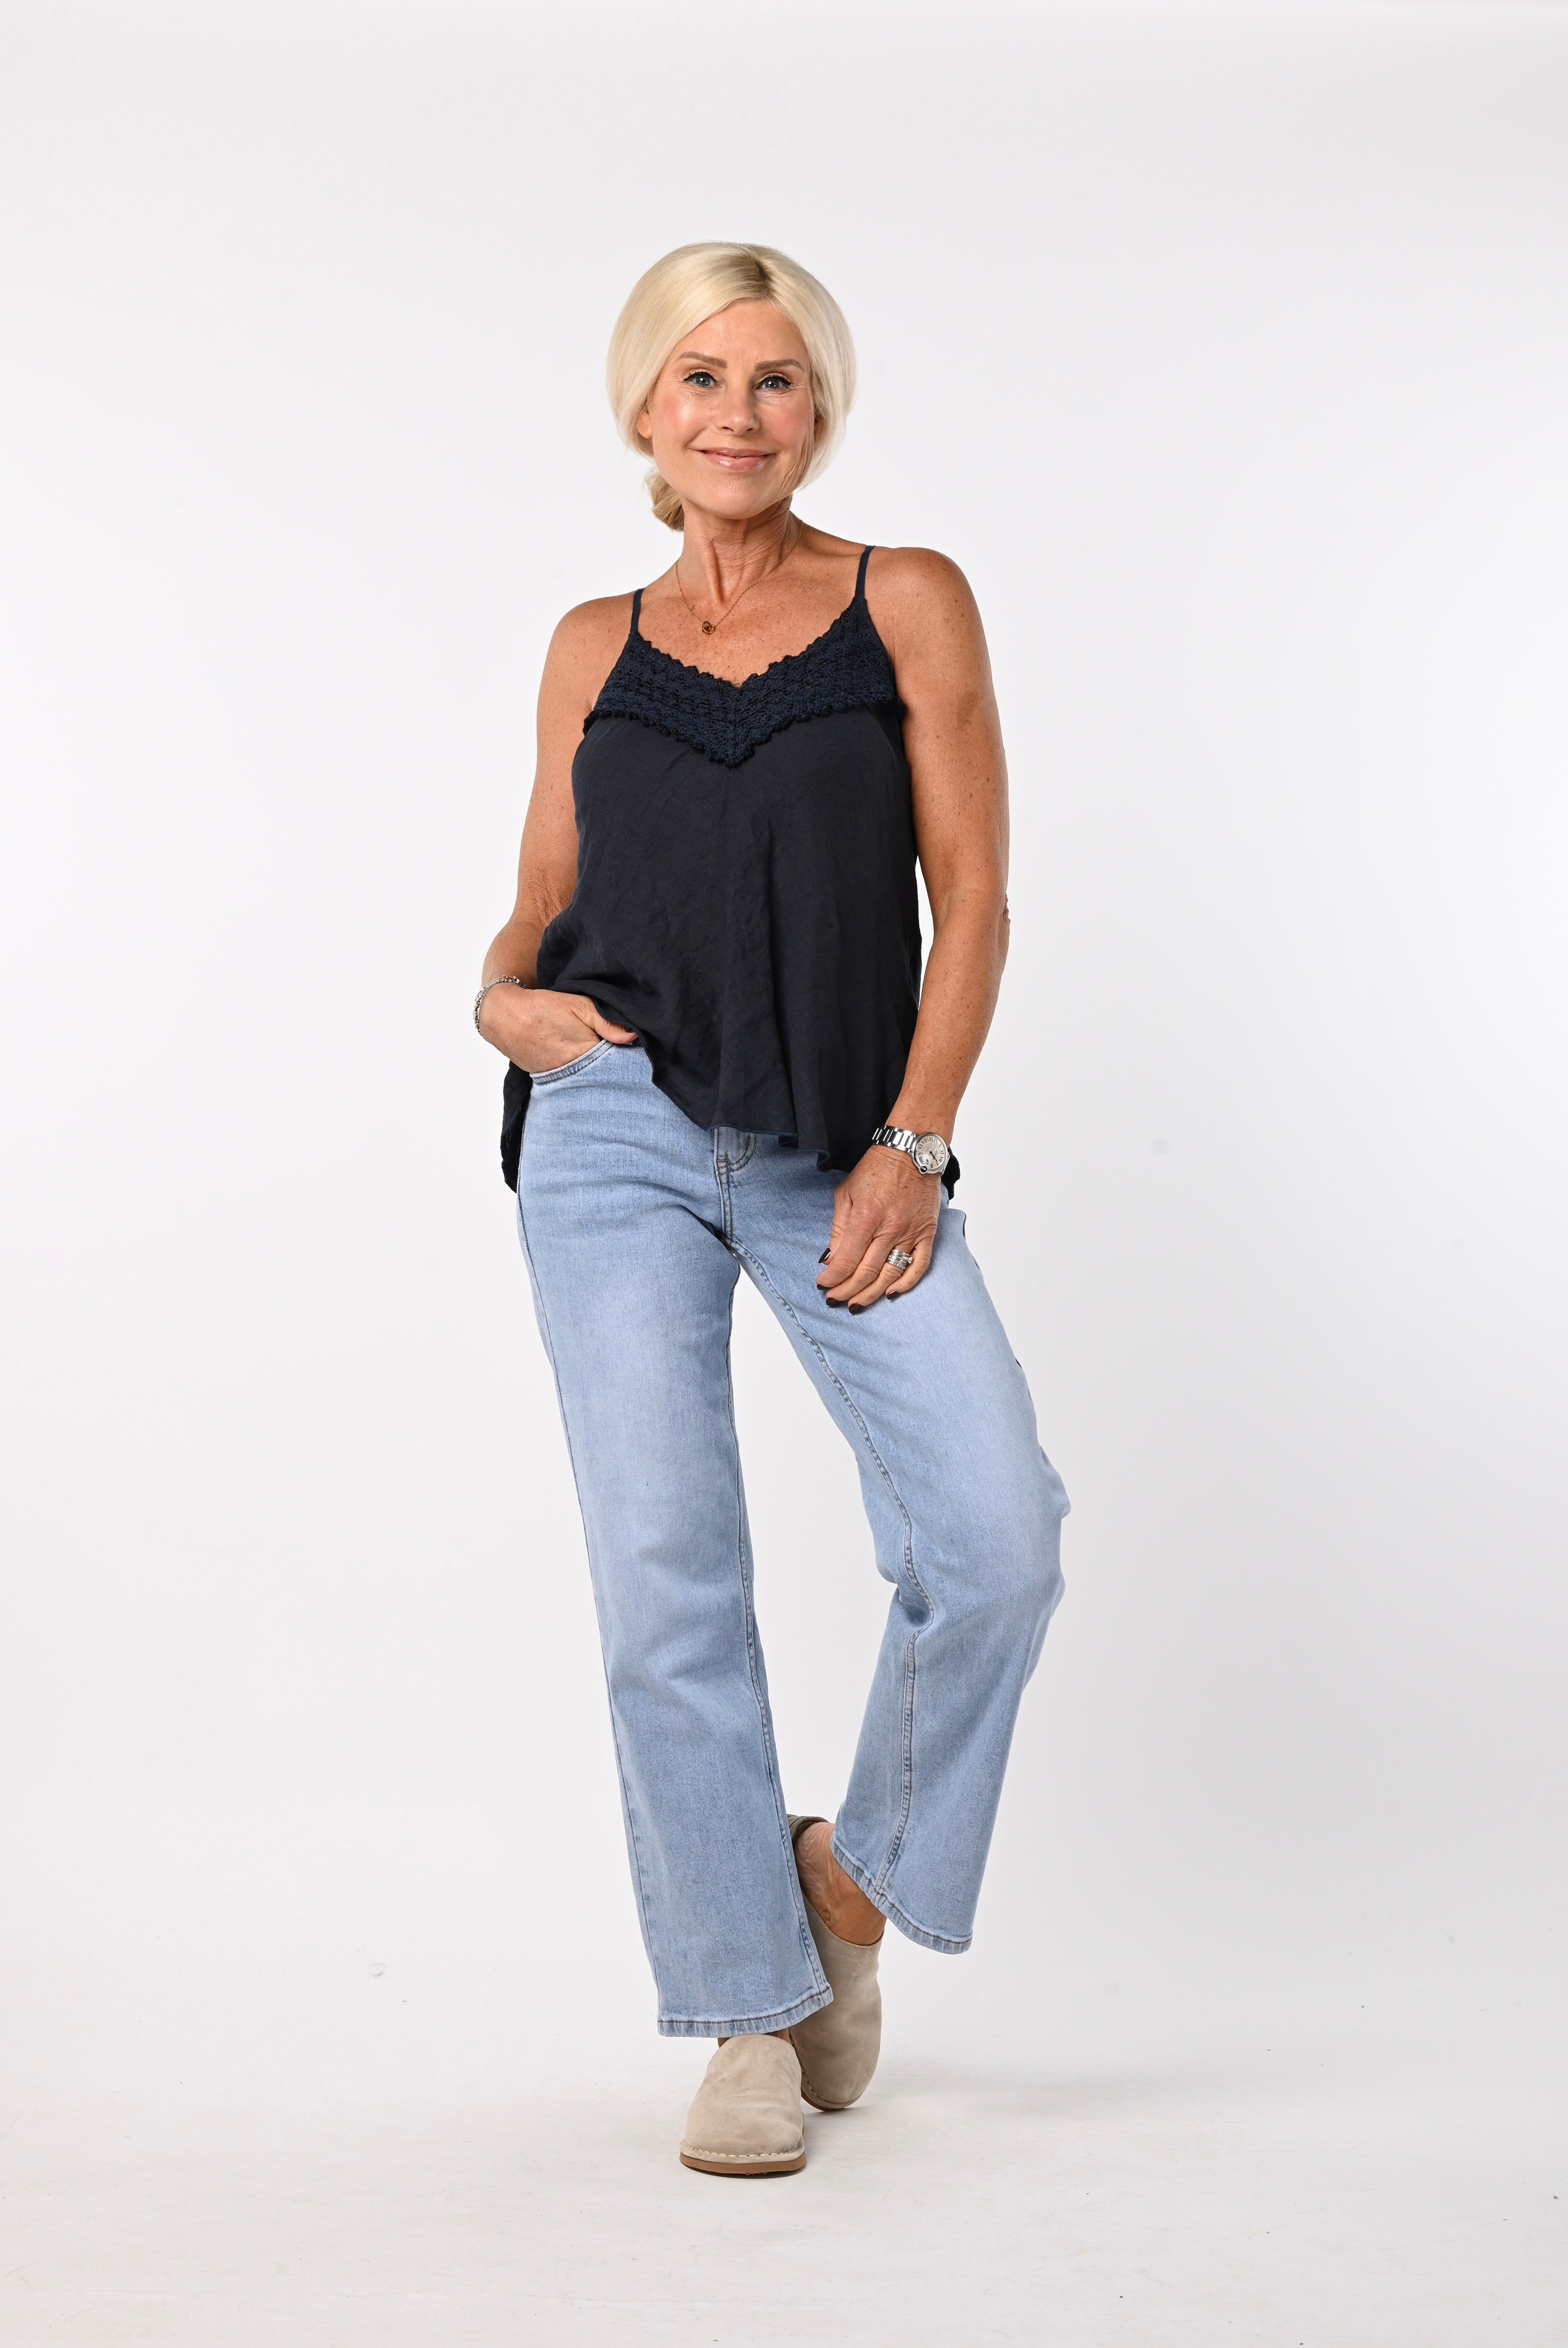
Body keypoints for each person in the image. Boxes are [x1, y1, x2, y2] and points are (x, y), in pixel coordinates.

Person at [475, 242, 1068, 2176]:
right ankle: (742, 2013)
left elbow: (972, 901)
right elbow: (540, 893)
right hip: (616, 1129)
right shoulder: (592, 640)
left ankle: (834, 1892)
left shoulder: (906, 598)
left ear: (819, 406)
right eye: (702, 377)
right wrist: (499, 995)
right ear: (643, 408)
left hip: (840, 1135)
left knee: (995, 1534)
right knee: (667, 1575)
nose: (738, 414)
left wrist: (917, 1137)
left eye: (777, 377)